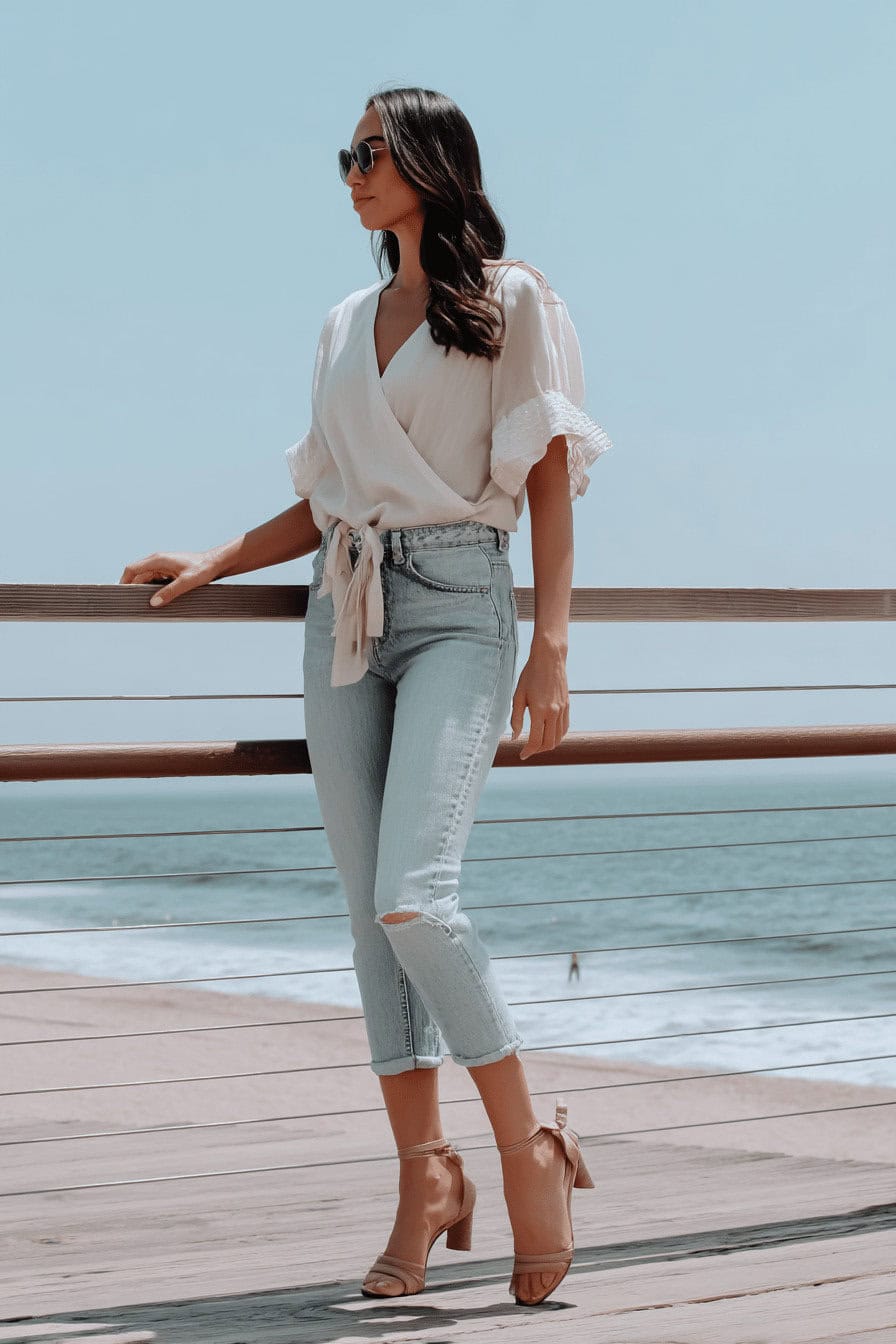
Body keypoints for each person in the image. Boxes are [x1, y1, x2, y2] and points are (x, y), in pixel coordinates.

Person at [119, 86, 612, 1307]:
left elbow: (546, 477)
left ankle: (526, 1155)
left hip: (456, 607)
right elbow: (325, 492)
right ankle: (423, 1180)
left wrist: (549, 645)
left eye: (372, 154)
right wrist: (218, 559)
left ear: (432, 166)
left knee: (413, 898)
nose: (351, 172)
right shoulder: (343, 320)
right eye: (345, 155)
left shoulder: (510, 299)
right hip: (344, 617)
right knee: (366, 922)